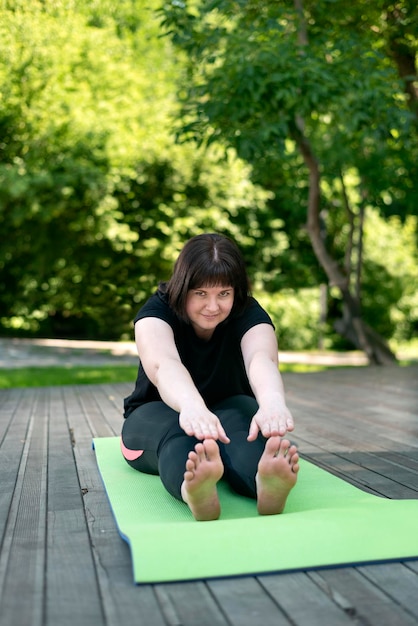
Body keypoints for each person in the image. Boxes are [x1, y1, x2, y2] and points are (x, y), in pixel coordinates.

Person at [121, 233, 299, 521]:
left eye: (224, 294)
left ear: (235, 292)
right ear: (182, 287)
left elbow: (260, 358)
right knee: (181, 438)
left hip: (229, 408)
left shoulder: (247, 312)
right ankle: (195, 490)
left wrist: (272, 403)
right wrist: (191, 406)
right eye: (201, 294)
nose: (213, 306)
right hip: (158, 413)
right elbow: (163, 364)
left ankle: (265, 484)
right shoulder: (156, 312)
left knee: (247, 437)